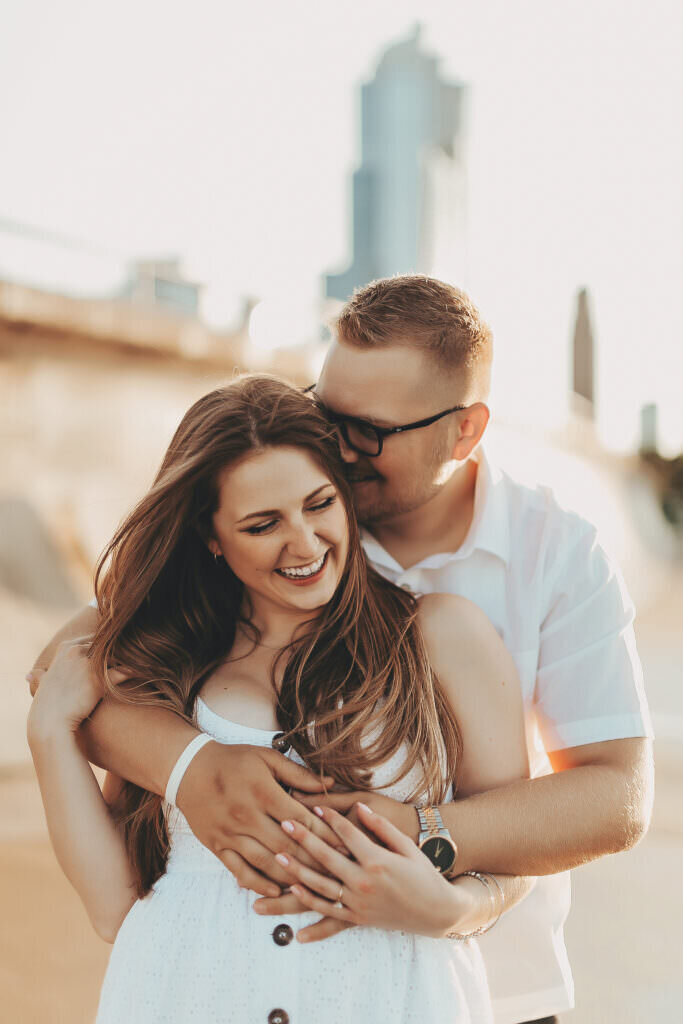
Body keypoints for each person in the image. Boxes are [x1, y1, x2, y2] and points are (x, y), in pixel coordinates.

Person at [29, 276, 654, 1024]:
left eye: (370, 430)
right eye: (326, 410)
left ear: (464, 430)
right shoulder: (287, 493)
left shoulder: (550, 555)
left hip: (488, 982)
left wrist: (421, 841)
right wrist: (187, 765)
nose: (338, 445)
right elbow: (75, 670)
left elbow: (615, 799)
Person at [27, 375, 533, 1023]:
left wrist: (459, 910)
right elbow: (111, 906)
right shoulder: (170, 667)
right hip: (180, 994)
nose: (304, 544)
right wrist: (48, 735)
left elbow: (518, 850)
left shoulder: (437, 636)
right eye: (263, 524)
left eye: (319, 503)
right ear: (210, 537)